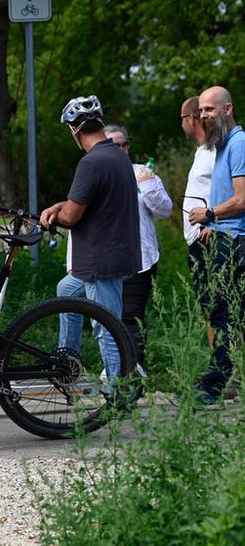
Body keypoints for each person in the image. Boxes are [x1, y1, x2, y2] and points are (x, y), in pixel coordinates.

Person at [41, 96, 140, 395]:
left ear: (74, 129)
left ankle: (116, 393)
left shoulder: (91, 162)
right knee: (66, 291)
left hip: (100, 261)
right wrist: (61, 205)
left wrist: (55, 216)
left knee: (106, 326)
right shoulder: (118, 156)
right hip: (115, 254)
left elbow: (72, 215)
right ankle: (68, 363)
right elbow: (89, 202)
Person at [187, 86, 244, 404]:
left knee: (224, 314)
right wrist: (212, 224)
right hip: (225, 237)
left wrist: (210, 213)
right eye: (201, 111)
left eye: (209, 109)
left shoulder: (239, 144)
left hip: (237, 242)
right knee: (227, 314)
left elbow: (242, 199)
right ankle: (219, 382)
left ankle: (213, 386)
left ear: (227, 109)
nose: (204, 116)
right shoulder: (221, 146)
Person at [104, 124, 172, 371]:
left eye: (124, 144)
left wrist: (147, 186)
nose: (121, 149)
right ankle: (112, 372)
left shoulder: (144, 172)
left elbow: (164, 211)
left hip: (140, 258)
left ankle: (134, 374)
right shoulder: (97, 172)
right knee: (107, 319)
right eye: (114, 145)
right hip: (105, 260)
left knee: (132, 318)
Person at [181, 96, 217, 315]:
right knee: (208, 310)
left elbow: (233, 190)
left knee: (219, 311)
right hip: (198, 240)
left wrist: (215, 225)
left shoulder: (216, 150)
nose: (182, 124)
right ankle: (217, 351)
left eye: (181, 118)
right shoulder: (202, 150)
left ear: (192, 119)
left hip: (210, 239)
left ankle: (230, 350)